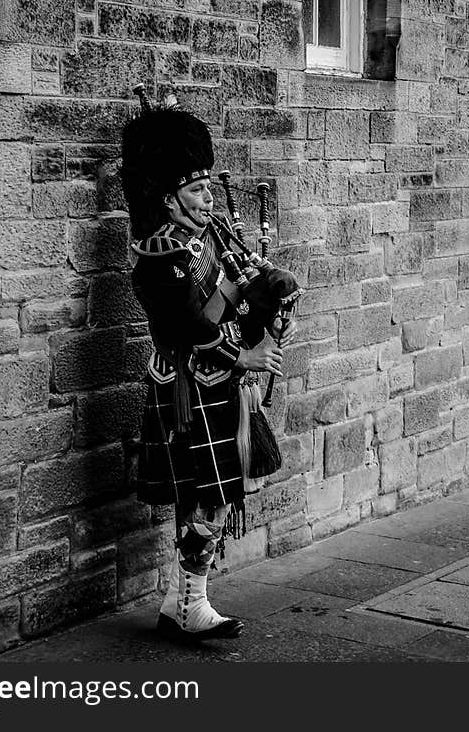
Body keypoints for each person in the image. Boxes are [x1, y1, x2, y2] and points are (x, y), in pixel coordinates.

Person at [121, 102, 296, 641]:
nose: (209, 199)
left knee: (212, 493)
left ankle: (186, 602)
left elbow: (245, 280)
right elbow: (190, 327)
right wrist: (244, 356)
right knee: (203, 495)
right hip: (185, 386)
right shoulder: (158, 260)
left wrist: (270, 292)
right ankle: (189, 604)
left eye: (207, 188)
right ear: (167, 197)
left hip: (218, 387)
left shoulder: (210, 234)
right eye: (197, 191)